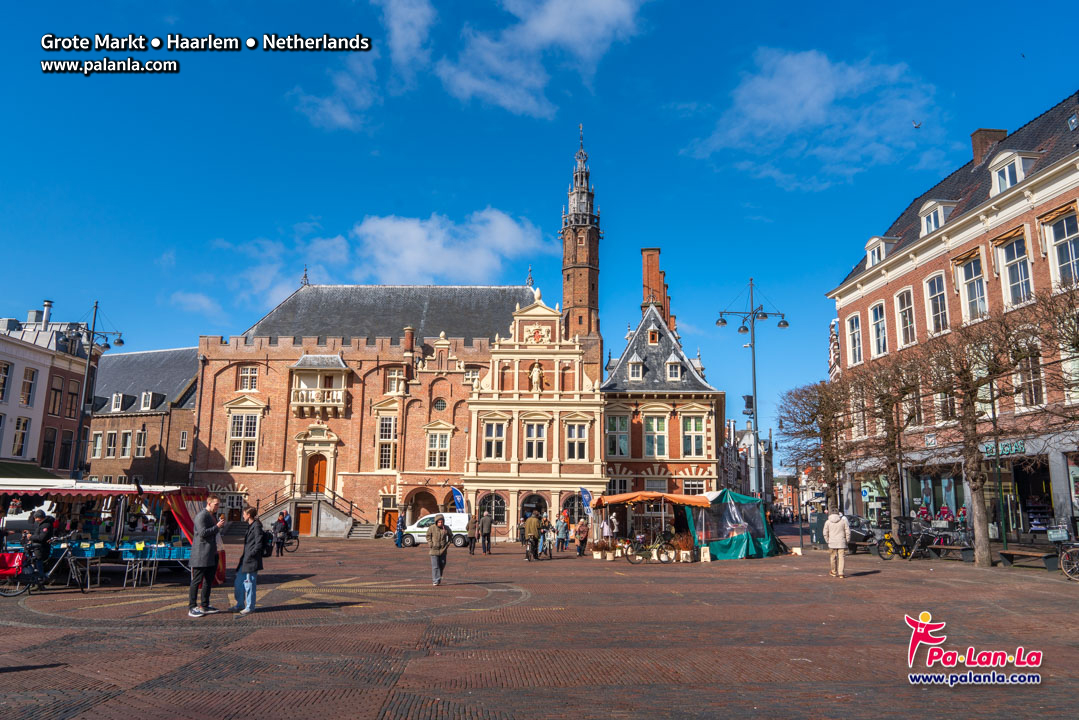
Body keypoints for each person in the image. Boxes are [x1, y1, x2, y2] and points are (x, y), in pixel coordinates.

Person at [188, 494, 225, 618]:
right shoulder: (201, 516)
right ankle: (192, 607)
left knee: (208, 581)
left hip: (211, 553)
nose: (217, 507)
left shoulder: (212, 516)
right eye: (216, 504)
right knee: (196, 581)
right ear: (209, 504)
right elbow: (203, 533)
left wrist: (217, 526)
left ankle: (204, 605)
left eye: (218, 504)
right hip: (201, 554)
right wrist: (217, 527)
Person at [230, 507, 264, 615]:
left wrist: (251, 554)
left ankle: (250, 606)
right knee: (238, 582)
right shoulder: (250, 526)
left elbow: (259, 544)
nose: (243, 515)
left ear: (249, 515)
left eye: (244, 514)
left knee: (249, 584)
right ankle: (240, 604)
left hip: (251, 560)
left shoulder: (256, 526)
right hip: (245, 560)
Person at [24, 510, 54, 588]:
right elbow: (38, 535)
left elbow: (42, 538)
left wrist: (31, 537)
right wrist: (32, 539)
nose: (35, 520)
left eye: (36, 518)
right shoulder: (41, 524)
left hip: (41, 548)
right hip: (37, 547)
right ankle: (38, 582)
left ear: (39, 518)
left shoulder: (46, 525)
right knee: (36, 564)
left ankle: (40, 582)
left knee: (38, 564)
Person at [822, 507, 851, 579]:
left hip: (832, 542)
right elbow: (848, 532)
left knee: (833, 557)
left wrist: (827, 540)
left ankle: (834, 571)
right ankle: (841, 573)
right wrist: (847, 540)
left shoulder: (828, 522)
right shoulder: (843, 521)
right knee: (841, 557)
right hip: (841, 541)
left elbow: (825, 533)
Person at [426, 514, 451, 586]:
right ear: (436, 522)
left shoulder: (446, 528)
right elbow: (428, 536)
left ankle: (438, 577)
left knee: (442, 564)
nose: (440, 523)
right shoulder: (432, 528)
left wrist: (447, 544)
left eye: (442, 522)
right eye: (439, 522)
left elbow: (451, 536)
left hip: (443, 550)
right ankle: (435, 580)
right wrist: (430, 543)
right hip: (434, 549)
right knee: (435, 566)